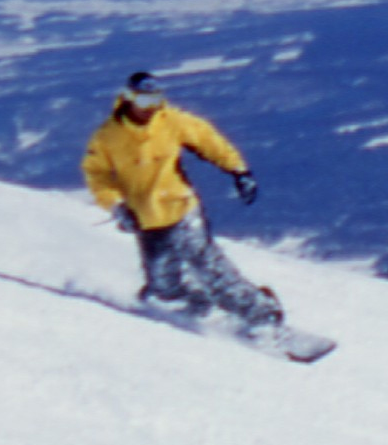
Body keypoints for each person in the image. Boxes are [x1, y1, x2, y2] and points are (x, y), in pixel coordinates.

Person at [79, 71, 281, 327]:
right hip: (146, 218)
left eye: (156, 100)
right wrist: (117, 206)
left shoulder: (172, 121)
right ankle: (199, 307)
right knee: (164, 287)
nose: (150, 108)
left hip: (181, 207)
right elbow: (97, 176)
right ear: (128, 98)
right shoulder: (108, 136)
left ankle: (260, 314)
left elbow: (209, 140)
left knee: (207, 265)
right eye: (144, 101)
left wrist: (239, 171)